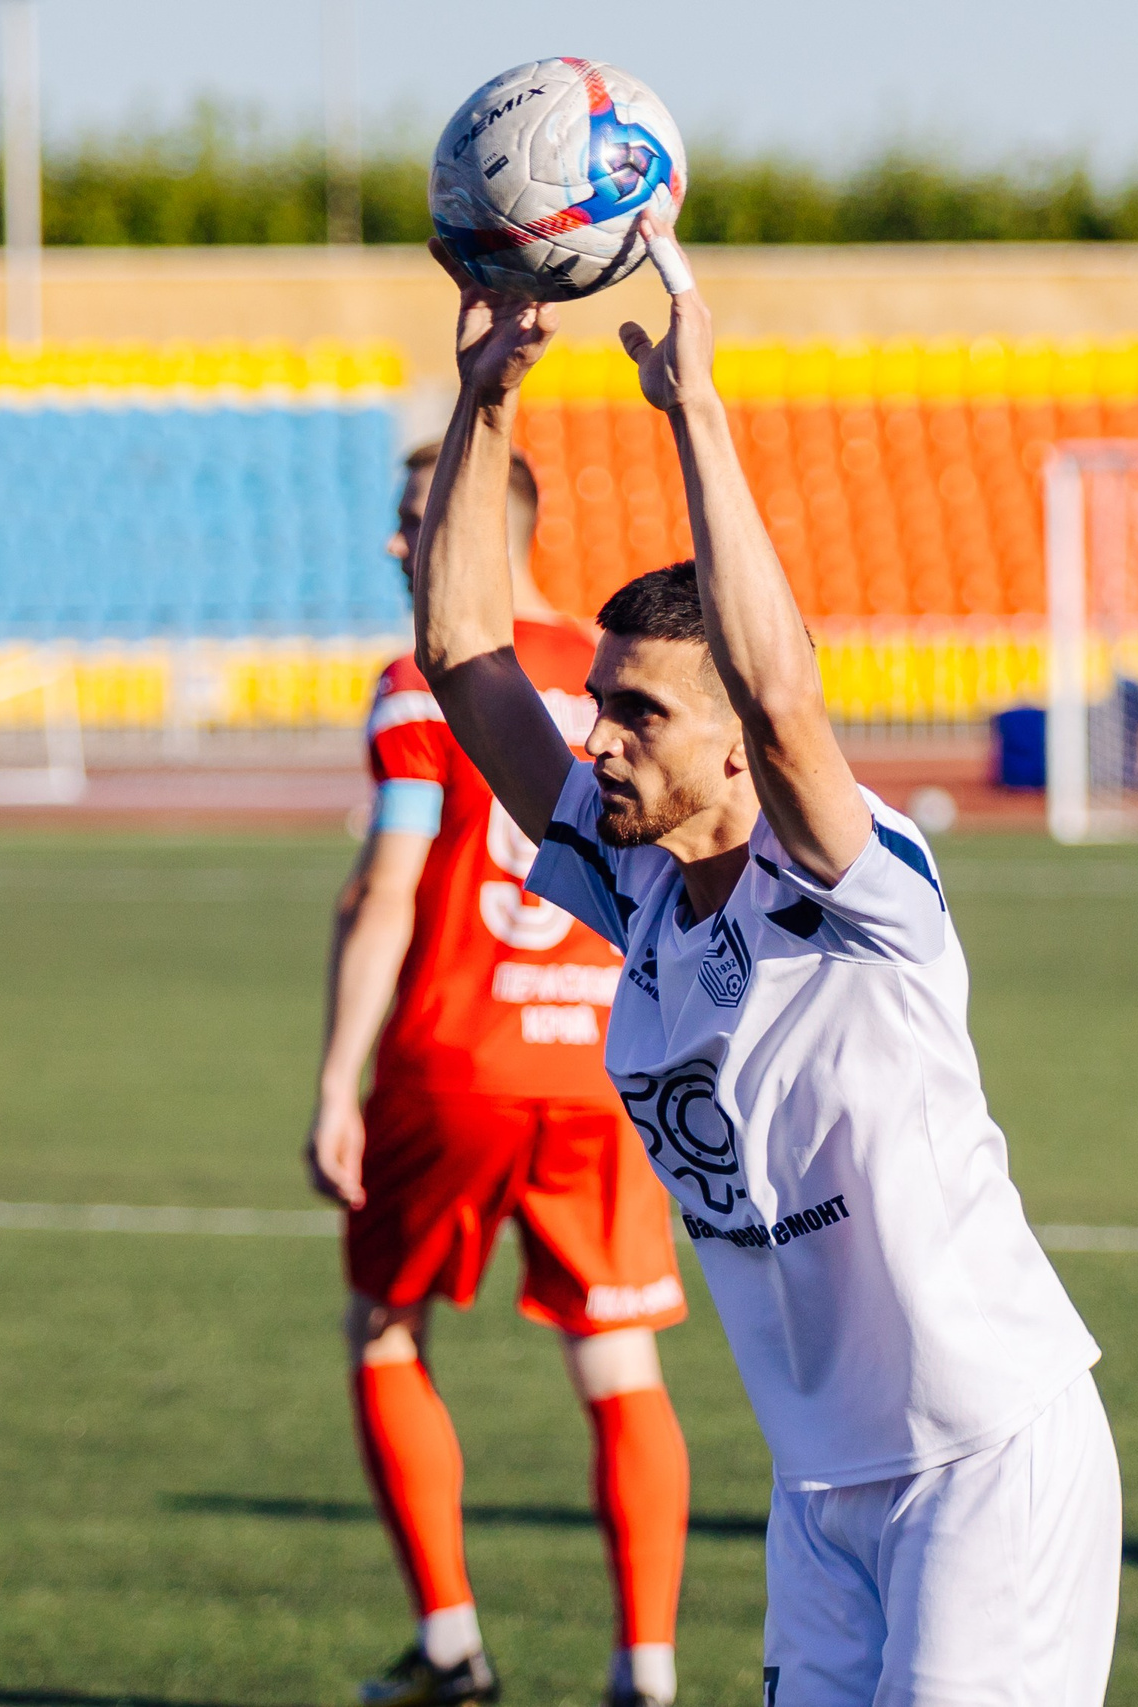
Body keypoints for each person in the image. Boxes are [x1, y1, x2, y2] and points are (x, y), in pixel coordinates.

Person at [406, 230, 1120, 1705]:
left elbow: (790, 704)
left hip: (982, 1462)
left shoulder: (865, 893)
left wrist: (694, 407)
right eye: (599, 706)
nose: (597, 736)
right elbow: (466, 649)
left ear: (729, 742)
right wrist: (487, 394)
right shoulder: (636, 882)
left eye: (638, 713)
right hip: (821, 1491)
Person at [307, 445, 692, 1707]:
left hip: (451, 1064)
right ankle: (646, 1668)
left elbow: (386, 888)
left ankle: (451, 1645)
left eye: (414, 522)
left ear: (480, 528)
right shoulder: (610, 676)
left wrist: (331, 1083)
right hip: (600, 1067)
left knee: (384, 1329)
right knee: (619, 1362)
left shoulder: (421, 684)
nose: (393, 547)